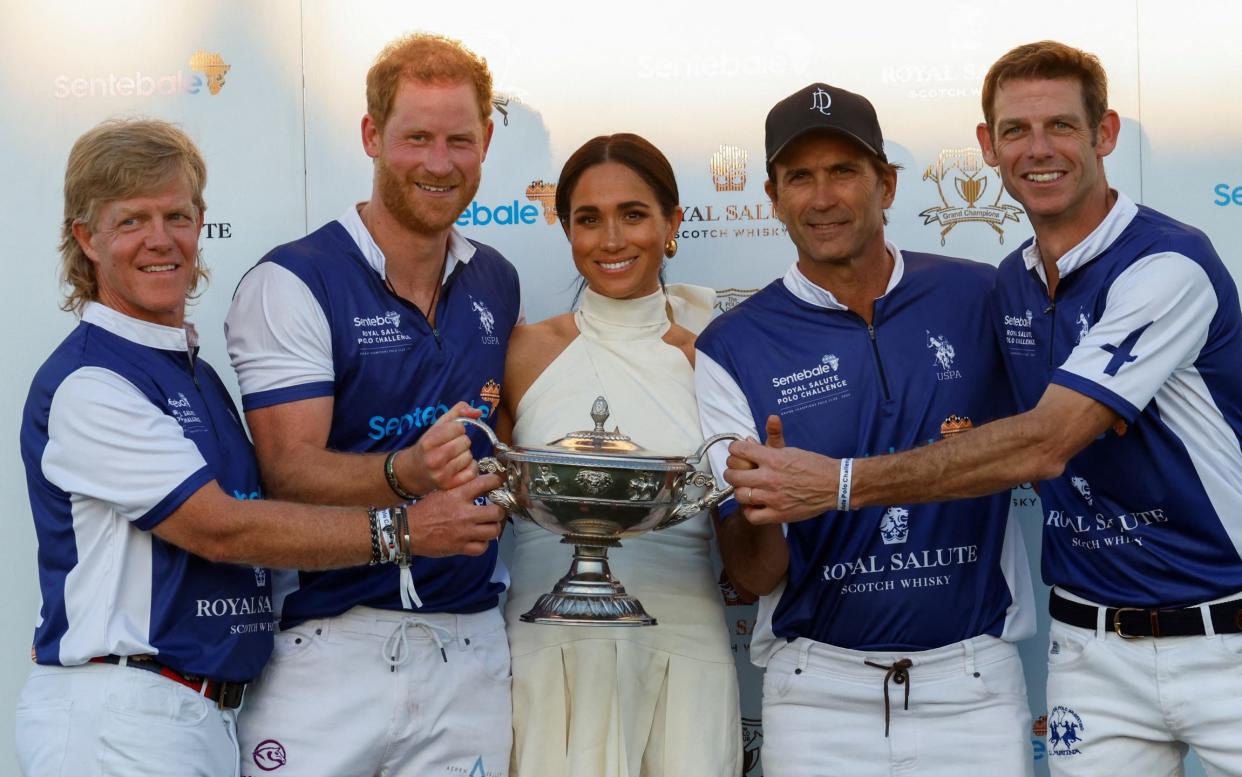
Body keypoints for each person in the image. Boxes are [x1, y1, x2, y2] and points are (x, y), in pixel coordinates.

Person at [723, 43, 1242, 776]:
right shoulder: (1010, 285)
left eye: (1061, 125)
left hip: (1227, 636)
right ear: (986, 147)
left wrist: (839, 483)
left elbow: (1046, 443)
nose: (1038, 150)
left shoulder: (1166, 264)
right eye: (1015, 131)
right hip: (1088, 649)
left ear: (1106, 133)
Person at [16, 118, 501, 777]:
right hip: (122, 716)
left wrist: (416, 472)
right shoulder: (92, 381)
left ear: (201, 223)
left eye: (176, 216)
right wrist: (406, 530)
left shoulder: (195, 373)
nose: (160, 240)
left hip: (200, 714)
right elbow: (221, 528)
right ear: (86, 239)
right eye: (131, 221)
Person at [694, 84, 1035, 777]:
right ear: (772, 195)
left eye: (844, 171)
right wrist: (766, 503)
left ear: (886, 184)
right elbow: (755, 573)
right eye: (800, 177)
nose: (823, 197)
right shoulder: (732, 344)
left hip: (972, 686)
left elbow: (1055, 436)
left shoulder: (984, 295)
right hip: (817, 695)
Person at [224, 34, 521, 777]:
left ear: (485, 140)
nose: (438, 162)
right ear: (370, 136)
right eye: (415, 137)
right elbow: (287, 470)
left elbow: (502, 438)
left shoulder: (497, 278)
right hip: (330, 644)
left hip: (470, 642)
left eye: (459, 139)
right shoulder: (296, 280)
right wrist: (406, 471)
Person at [498, 133, 741, 777]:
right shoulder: (522, 353)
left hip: (681, 644)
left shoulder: (712, 360)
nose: (611, 240)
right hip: (545, 644)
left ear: (673, 224)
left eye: (633, 214)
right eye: (588, 219)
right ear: (566, 230)